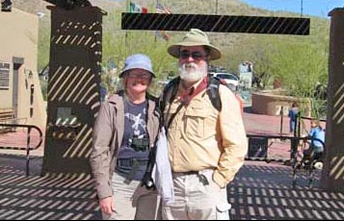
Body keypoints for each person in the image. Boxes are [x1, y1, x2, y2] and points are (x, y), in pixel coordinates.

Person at [161, 28, 248, 220]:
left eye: (196, 55)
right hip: (172, 186)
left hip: (206, 186)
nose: (190, 60)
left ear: (206, 60)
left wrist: (218, 180)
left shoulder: (221, 95)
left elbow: (237, 145)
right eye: (185, 54)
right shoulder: (169, 93)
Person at [90, 54, 160, 220]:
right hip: (121, 181)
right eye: (134, 74)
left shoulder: (157, 107)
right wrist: (104, 193)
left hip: (150, 184)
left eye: (144, 75)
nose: (139, 79)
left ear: (150, 79)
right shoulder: (111, 107)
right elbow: (99, 150)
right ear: (126, 78)